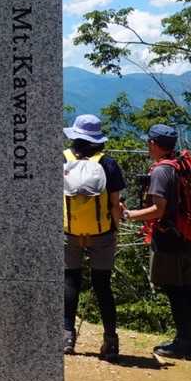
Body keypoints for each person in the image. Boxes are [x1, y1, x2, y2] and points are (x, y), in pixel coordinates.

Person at [121, 123, 191, 358]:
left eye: (148, 142)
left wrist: (129, 215)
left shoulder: (161, 171)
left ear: (154, 144)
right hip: (185, 235)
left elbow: (158, 209)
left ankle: (184, 343)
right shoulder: (179, 164)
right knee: (185, 289)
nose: (147, 145)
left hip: (169, 239)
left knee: (175, 290)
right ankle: (187, 339)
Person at [61, 113, 125, 361]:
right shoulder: (108, 163)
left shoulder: (63, 159)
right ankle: (110, 341)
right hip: (102, 232)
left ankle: (66, 336)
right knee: (102, 286)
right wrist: (115, 228)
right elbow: (115, 204)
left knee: (70, 281)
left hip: (70, 230)